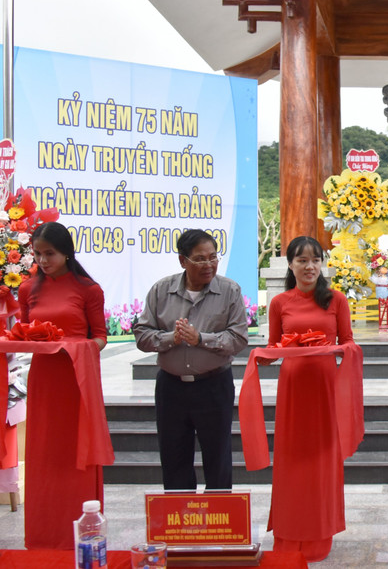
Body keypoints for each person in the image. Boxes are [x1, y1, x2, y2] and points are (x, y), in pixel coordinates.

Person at [17, 221, 108, 548]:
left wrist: (76, 347)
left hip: (76, 380)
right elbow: (24, 333)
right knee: (44, 452)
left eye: (50, 254)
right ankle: (43, 534)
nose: (43, 260)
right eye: (37, 254)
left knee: (75, 451)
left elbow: (100, 337)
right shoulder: (27, 288)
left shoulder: (88, 289)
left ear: (67, 252)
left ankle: (82, 530)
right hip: (44, 378)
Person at [134, 229, 248, 491]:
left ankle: (218, 515)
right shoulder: (161, 290)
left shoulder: (230, 291)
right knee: (174, 457)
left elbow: (238, 338)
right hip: (171, 387)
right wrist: (170, 339)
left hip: (214, 385)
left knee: (218, 459)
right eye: (200, 259)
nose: (209, 264)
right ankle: (180, 515)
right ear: (182, 261)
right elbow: (142, 335)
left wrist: (201, 339)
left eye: (213, 257)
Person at [263, 236, 354, 561]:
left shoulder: (336, 300)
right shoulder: (280, 303)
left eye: (315, 260)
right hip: (292, 390)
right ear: (290, 265)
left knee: (322, 461)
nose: (309, 266)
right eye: (302, 260)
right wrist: (267, 355)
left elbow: (349, 343)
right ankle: (289, 533)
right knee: (291, 461)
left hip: (324, 390)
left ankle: (319, 535)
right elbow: (273, 347)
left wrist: (332, 348)